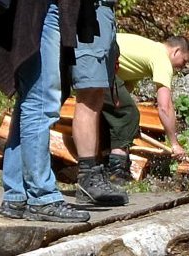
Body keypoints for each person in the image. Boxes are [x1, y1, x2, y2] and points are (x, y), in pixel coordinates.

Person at [0, 0, 92, 222]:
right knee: (41, 102)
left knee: (30, 100)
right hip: (41, 10)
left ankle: (16, 194)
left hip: (34, 11)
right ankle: (42, 197)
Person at [101, 34, 189, 185]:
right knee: (128, 114)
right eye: (184, 61)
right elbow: (165, 107)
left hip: (95, 59)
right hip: (100, 62)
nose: (184, 66)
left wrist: (128, 129)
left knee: (120, 116)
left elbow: (123, 91)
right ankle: (117, 174)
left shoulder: (148, 52)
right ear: (176, 51)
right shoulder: (162, 59)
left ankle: (104, 165)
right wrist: (174, 143)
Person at [70, 0, 128, 205]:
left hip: (103, 13)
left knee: (95, 97)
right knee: (89, 94)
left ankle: (91, 174)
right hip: (90, 12)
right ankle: (86, 176)